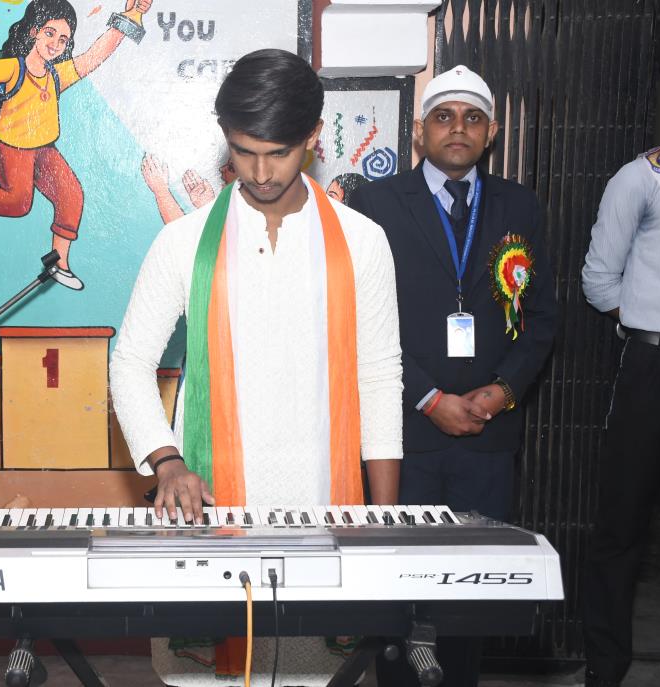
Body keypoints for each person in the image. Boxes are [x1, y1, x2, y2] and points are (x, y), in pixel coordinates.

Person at [110, 48, 403, 687]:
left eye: (279, 152)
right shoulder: (183, 242)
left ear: (314, 137)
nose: (262, 172)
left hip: (323, 509)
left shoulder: (362, 241)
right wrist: (167, 462)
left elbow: (380, 375)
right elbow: (130, 361)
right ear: (225, 138)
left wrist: (382, 523)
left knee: (313, 677)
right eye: (245, 152)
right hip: (209, 511)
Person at [348, 65, 557, 686]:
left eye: (472, 118)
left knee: (471, 592)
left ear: (491, 133)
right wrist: (428, 396)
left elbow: (543, 317)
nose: (457, 129)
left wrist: (504, 391)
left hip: (488, 436)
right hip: (405, 434)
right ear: (420, 132)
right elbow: (359, 318)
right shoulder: (377, 203)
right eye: (443, 117)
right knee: (399, 586)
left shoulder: (520, 205)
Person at [579, 40, 660, 687]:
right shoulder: (644, 176)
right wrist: (650, 322)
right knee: (621, 524)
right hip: (657, 367)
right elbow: (599, 278)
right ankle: (604, 667)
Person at [0, 0, 152, 291]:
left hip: (43, 149)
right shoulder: (13, 68)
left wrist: (129, 16)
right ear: (34, 31)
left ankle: (59, 263)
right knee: (18, 204)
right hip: (12, 148)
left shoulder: (56, 74)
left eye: (63, 39)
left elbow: (94, 56)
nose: (55, 44)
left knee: (71, 194)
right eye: (50, 33)